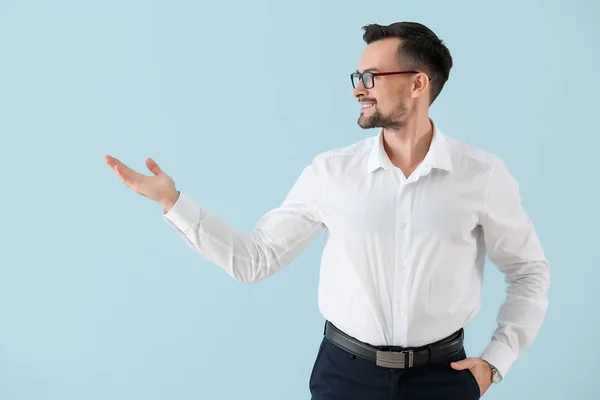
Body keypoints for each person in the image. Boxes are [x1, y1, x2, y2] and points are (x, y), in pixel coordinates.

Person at [104, 21, 550, 400]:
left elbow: (529, 272)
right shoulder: (331, 173)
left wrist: (494, 363)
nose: (359, 88)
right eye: (356, 76)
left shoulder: (482, 176)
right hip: (345, 377)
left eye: (372, 76)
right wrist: (172, 202)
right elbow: (254, 260)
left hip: (443, 380)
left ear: (418, 83)